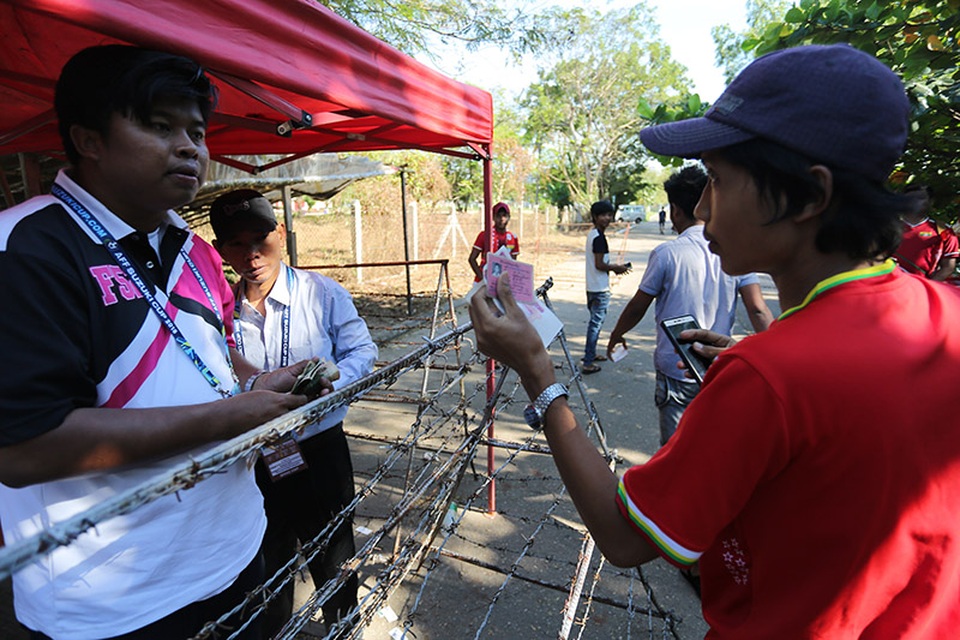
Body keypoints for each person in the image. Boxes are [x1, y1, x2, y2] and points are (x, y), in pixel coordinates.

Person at [469, 44, 960, 637]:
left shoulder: (767, 377)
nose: (701, 209)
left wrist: (536, 372)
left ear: (810, 196)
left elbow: (623, 539)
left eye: (719, 181)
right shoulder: (945, 314)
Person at [0, 46, 325, 639]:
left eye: (196, 132)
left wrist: (254, 382)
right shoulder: (25, 248)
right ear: (88, 139)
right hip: (116, 599)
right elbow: (23, 448)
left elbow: (208, 353)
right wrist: (229, 418)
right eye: (158, 126)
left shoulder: (196, 249)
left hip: (235, 549)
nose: (188, 147)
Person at [211, 189, 377, 635]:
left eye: (260, 239)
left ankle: (344, 630)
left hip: (319, 450)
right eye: (235, 243)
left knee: (335, 560)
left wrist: (330, 385)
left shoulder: (322, 293)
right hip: (253, 460)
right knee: (267, 567)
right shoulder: (219, 312)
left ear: (281, 234)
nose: (251, 254)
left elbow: (362, 350)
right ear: (219, 249)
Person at [606, 165, 772, 446]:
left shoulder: (666, 254)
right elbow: (758, 309)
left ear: (675, 210)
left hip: (676, 369)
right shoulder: (736, 251)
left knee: (676, 449)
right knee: (715, 445)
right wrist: (774, 360)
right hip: (718, 367)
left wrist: (616, 334)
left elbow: (637, 306)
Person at [582, 200, 631, 374]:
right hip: (599, 289)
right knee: (595, 325)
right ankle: (588, 362)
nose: (607, 218)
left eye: (609, 215)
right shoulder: (599, 238)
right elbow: (600, 264)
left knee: (594, 324)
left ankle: (591, 354)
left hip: (592, 286)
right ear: (595, 217)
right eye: (603, 215)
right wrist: (616, 268)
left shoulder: (593, 234)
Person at [894, 184, 959, 280]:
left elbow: (948, 267)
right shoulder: (888, 226)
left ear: (930, 202)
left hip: (919, 285)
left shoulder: (942, 230)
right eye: (910, 198)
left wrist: (927, 285)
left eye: (920, 198)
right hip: (885, 281)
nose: (914, 201)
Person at [468, 201, 519, 282]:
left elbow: (513, 262)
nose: (502, 219)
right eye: (498, 216)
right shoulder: (485, 235)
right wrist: (482, 278)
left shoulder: (513, 237)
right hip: (484, 281)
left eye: (504, 215)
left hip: (503, 282)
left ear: (509, 217)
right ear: (493, 217)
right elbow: (472, 259)